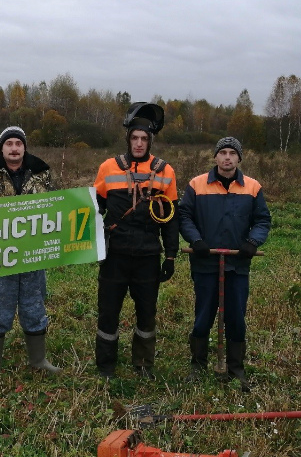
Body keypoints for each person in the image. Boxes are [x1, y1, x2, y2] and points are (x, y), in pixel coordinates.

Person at [93, 102, 179, 379]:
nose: (139, 143)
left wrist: (170, 256)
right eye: (134, 138)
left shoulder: (166, 171)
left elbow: (171, 217)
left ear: (150, 141)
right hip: (114, 255)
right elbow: (94, 210)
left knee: (146, 314)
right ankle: (106, 366)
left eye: (144, 139)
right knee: (108, 313)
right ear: (128, 139)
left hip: (147, 256)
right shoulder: (108, 167)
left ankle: (143, 364)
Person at [178, 136, 271, 391]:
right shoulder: (197, 185)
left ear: (239, 158)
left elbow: (262, 220)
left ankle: (235, 368)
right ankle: (198, 365)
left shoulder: (252, 187)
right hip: (205, 263)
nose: (227, 157)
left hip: (237, 265)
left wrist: (252, 242)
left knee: (236, 317)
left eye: (232, 153)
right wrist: (196, 240)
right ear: (215, 157)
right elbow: (184, 215)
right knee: (203, 315)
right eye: (223, 153)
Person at [0, 126, 61, 384]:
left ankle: (38, 360)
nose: (14, 148)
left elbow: (54, 206)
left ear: (24, 147)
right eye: (9, 143)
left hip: (34, 253)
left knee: (34, 306)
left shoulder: (41, 173)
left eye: (18, 144)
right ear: (2, 148)